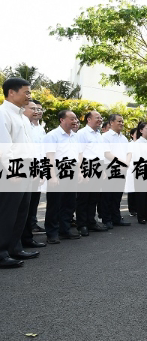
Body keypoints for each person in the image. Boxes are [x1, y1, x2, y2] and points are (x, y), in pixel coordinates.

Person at [0, 78, 39, 268]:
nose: (29, 96)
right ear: (11, 93)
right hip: (13, 166)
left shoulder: (23, 117)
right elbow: (5, 146)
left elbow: (27, 146)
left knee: (22, 210)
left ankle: (15, 247)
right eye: (26, 92)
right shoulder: (3, 113)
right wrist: (11, 169)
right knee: (8, 211)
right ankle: (1, 252)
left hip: (26, 164)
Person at [43, 110, 84, 243]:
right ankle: (52, 233)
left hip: (72, 169)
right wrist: (52, 176)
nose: (74, 121)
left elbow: (78, 156)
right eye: (71, 118)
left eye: (75, 118)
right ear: (62, 120)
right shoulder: (53, 135)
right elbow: (50, 157)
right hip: (59, 169)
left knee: (70, 201)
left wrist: (79, 172)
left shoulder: (75, 136)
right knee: (55, 202)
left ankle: (64, 229)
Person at [76, 111, 108, 236]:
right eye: (97, 118)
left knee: (94, 196)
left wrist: (103, 170)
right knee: (83, 197)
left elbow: (99, 153)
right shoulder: (82, 133)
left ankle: (91, 222)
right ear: (88, 119)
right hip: (87, 165)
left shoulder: (98, 134)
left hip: (98, 166)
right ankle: (82, 224)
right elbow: (80, 153)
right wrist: (82, 171)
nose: (100, 120)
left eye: (101, 117)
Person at [21, 100, 46, 248]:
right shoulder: (22, 125)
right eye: (33, 108)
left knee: (32, 205)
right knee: (21, 206)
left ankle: (27, 237)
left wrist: (41, 170)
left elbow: (39, 151)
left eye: (38, 109)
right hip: (22, 167)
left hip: (36, 168)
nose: (37, 111)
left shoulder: (39, 128)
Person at [101, 114, 132, 230]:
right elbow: (107, 153)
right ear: (111, 123)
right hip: (110, 167)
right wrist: (123, 163)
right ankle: (106, 219)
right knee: (107, 195)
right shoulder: (105, 136)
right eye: (119, 121)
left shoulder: (123, 138)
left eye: (122, 121)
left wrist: (126, 163)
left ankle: (116, 218)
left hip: (123, 169)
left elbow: (129, 152)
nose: (121, 123)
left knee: (118, 195)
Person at [131, 122, 147, 224]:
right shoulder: (137, 143)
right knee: (141, 192)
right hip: (141, 167)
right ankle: (141, 216)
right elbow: (138, 158)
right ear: (141, 130)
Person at [124, 127, 137, 217]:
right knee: (132, 190)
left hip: (140, 169)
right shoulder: (130, 144)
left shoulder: (140, 144)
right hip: (132, 168)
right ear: (132, 135)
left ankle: (138, 208)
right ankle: (132, 209)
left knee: (139, 190)